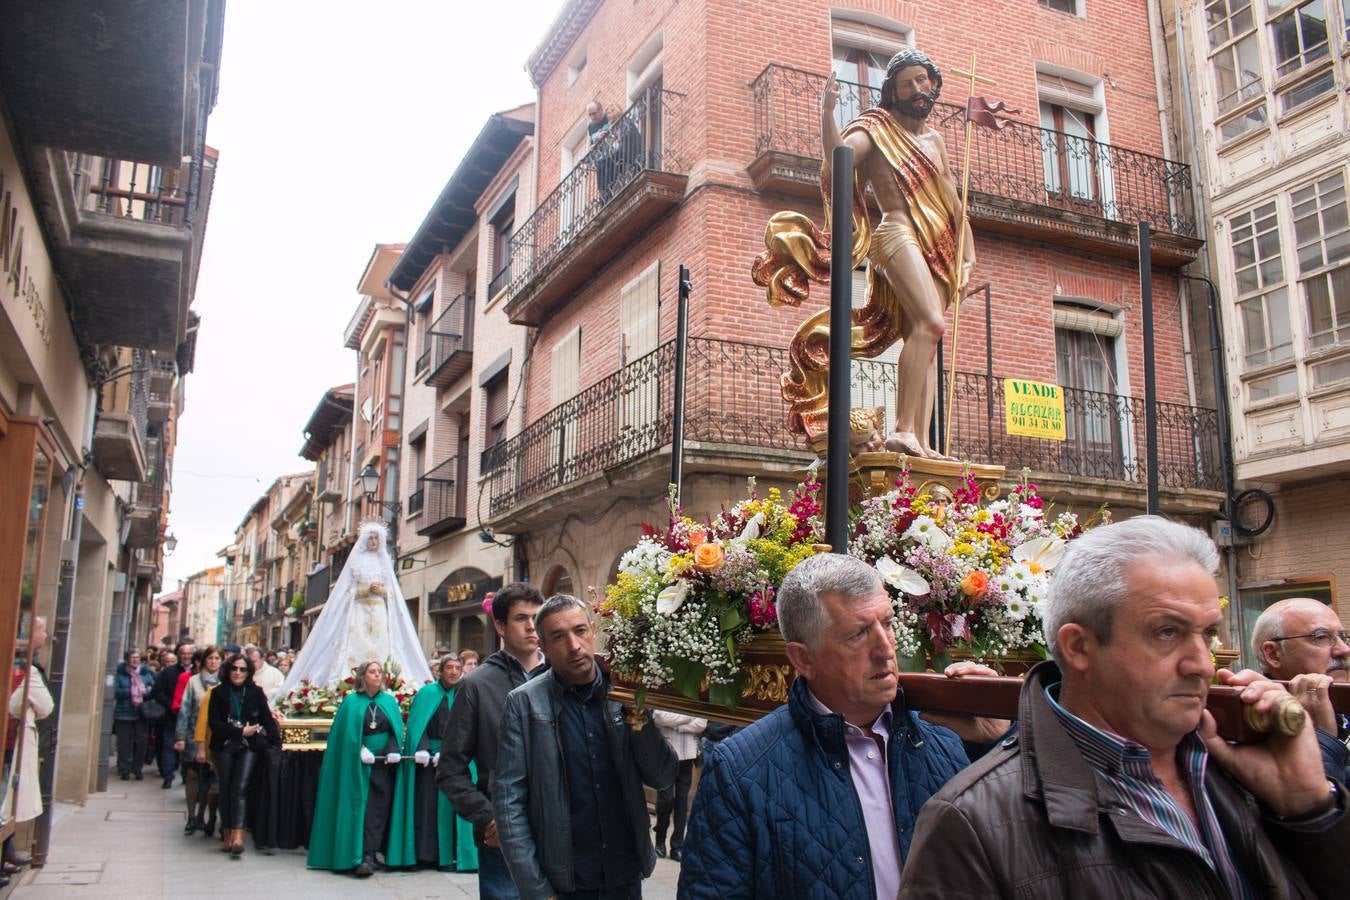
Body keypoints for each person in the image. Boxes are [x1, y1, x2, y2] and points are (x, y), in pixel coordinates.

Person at [896, 516, 1349, 898]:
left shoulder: (1251, 778)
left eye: (1207, 634)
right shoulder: (971, 825)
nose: (1201, 664)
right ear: (1079, 647)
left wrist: (1309, 810)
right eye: (1167, 633)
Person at [679, 553, 999, 900]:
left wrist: (1000, 743)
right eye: (858, 634)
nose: (886, 649)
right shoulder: (740, 771)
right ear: (804, 658)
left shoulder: (947, 738)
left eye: (888, 623)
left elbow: (1010, 856)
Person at [754, 49, 973, 459]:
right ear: (893, 91)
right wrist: (827, 115)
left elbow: (954, 202)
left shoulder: (935, 140)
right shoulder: (876, 129)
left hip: (938, 243)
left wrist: (967, 257)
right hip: (896, 234)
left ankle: (922, 443)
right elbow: (840, 156)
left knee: (925, 339)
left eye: (922, 80)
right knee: (931, 322)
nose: (917, 88)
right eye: (906, 83)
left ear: (933, 85)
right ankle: (903, 429)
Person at [495, 594, 677, 900]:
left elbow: (662, 777)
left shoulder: (624, 692)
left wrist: (639, 713)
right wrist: (537, 890)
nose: (574, 645)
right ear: (543, 647)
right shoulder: (523, 704)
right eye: (558, 637)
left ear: (593, 631)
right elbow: (508, 804)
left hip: (624, 876)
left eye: (579, 631)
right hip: (565, 882)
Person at [437, 582, 544, 900]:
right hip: (506, 839)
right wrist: (487, 819)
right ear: (500, 626)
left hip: (562, 834)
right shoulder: (476, 685)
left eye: (537, 617)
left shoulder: (560, 676)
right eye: (521, 618)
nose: (531, 626)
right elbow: (450, 769)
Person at [278, 521, 431, 697]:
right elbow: (347, 592)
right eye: (370, 538)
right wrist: (366, 591)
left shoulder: (385, 563)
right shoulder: (356, 561)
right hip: (359, 610)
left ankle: (383, 679)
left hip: (379, 611)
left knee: (382, 642)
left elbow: (392, 593)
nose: (373, 541)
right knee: (356, 641)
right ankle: (351, 679)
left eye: (376, 538)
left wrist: (382, 591)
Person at [308, 661, 413, 877]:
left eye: (379, 672)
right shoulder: (351, 702)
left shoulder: (388, 701)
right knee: (358, 807)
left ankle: (370, 854)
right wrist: (361, 748)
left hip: (382, 764)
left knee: (378, 808)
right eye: (372, 672)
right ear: (363, 676)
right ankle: (353, 854)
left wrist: (393, 749)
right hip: (356, 764)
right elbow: (346, 734)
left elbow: (395, 730)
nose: (377, 675)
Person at [392, 653, 477, 872]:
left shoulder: (466, 693)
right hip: (429, 761)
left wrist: (454, 752)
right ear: (441, 671)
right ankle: (428, 855)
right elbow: (417, 725)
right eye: (449, 668)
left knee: (458, 807)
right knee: (428, 808)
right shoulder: (427, 693)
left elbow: (471, 726)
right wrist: (424, 748)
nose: (454, 672)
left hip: (458, 759)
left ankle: (458, 856)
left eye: (458, 668)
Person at [1252, 597, 1350, 784]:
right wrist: (1321, 738)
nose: (1344, 650)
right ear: (1273, 654)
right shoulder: (1253, 726)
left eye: (1343, 637)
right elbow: (1318, 799)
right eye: (1321, 637)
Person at [207, 652, 281, 858]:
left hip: (249, 746)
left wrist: (276, 743)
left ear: (248, 672)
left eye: (242, 669)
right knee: (226, 788)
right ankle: (227, 833)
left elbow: (267, 719)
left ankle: (238, 835)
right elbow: (214, 723)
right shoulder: (218, 692)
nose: (238, 673)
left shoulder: (255, 692)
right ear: (228, 670)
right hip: (224, 745)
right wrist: (239, 731)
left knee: (240, 788)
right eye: (234, 668)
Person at [2, 618, 53, 870]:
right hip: (13, 737)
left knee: (8, 796)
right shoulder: (26, 667)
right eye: (43, 630)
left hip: (14, 736)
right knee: (7, 796)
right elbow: (45, 705)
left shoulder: (26, 663)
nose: (47, 635)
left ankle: (6, 850)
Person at [175, 645, 223, 836]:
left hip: (214, 737)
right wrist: (180, 737)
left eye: (217, 658)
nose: (213, 662)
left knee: (210, 779)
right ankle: (191, 816)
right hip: (193, 735)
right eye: (210, 658)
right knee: (193, 775)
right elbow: (184, 709)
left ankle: (204, 815)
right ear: (204, 661)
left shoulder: (224, 681)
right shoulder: (193, 681)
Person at [651, 710, 706, 862]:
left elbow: (702, 723)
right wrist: (689, 716)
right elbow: (660, 717)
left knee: (682, 801)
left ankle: (677, 846)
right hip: (666, 751)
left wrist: (677, 725)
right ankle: (660, 841)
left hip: (687, 753)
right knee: (665, 799)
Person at [152, 642, 192, 788]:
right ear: (179, 655)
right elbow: (157, 692)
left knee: (188, 748)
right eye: (183, 654)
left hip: (190, 717)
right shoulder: (168, 672)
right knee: (169, 746)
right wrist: (170, 705)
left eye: (189, 654)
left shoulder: (196, 673)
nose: (186, 656)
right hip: (171, 716)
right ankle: (168, 776)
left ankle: (186, 776)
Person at [113, 649, 156, 780]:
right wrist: (132, 691)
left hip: (142, 713)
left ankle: (137, 769)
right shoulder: (120, 674)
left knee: (141, 743)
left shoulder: (146, 674)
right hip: (123, 713)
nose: (135, 660)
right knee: (124, 744)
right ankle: (125, 769)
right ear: (127, 660)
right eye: (132, 657)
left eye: (137, 657)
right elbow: (115, 692)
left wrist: (146, 692)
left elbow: (153, 690)